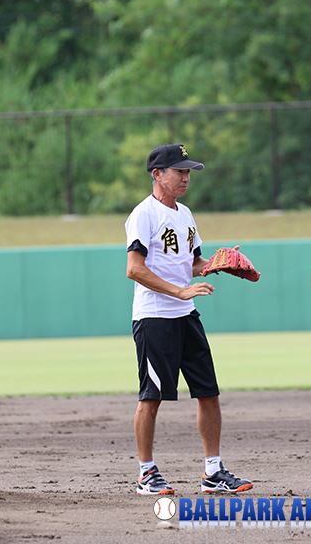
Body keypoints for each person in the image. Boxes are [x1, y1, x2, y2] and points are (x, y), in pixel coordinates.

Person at [125, 143, 253, 496]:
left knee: (208, 393)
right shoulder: (144, 215)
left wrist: (217, 264)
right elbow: (134, 269)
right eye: (179, 171)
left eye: (188, 171)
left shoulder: (185, 214)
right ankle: (146, 472)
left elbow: (192, 264)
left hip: (186, 317)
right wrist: (178, 291)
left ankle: (213, 471)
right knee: (151, 396)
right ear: (157, 174)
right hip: (154, 317)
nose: (186, 177)